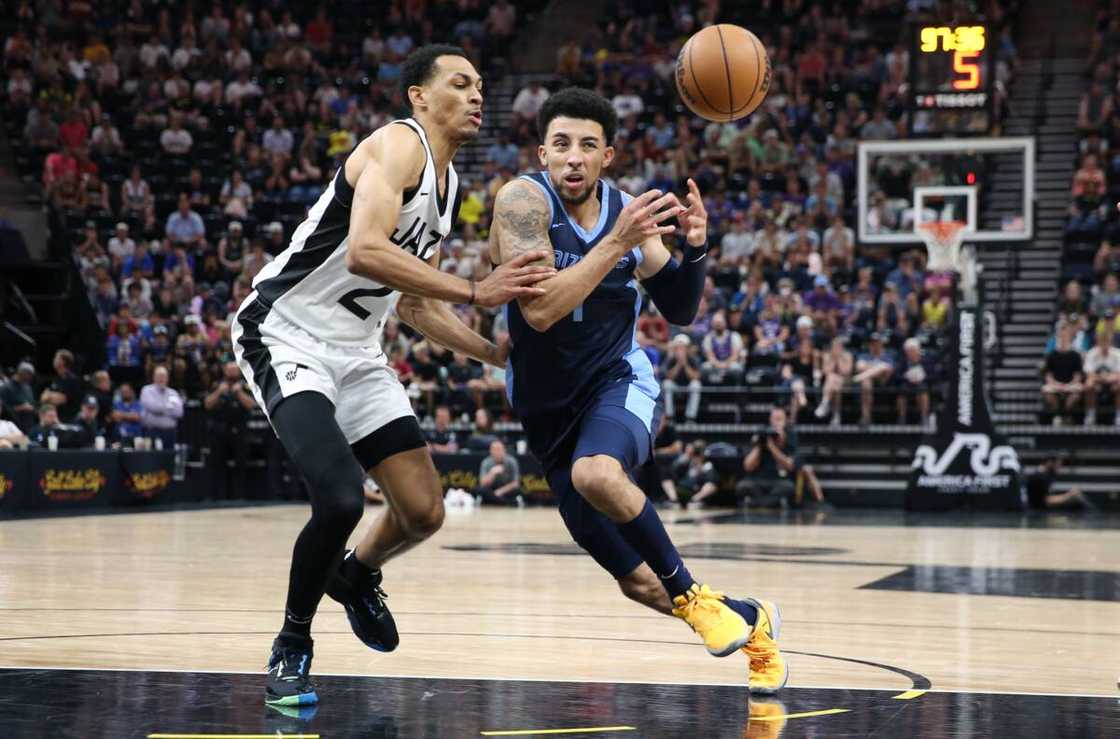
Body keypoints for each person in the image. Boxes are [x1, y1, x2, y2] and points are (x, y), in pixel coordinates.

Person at [229, 45, 554, 706]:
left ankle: (353, 575)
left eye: (480, 85)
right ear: (418, 96)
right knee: (342, 498)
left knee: (424, 511)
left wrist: (494, 355)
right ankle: (292, 643)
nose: (476, 95)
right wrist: (477, 290)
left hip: (356, 350)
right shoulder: (396, 145)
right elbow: (365, 250)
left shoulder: (447, 186)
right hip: (286, 331)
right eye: (460, 83)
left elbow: (413, 306)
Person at [488, 87, 785, 694]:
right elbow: (540, 312)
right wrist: (617, 245)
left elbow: (680, 309)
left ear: (608, 156)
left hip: (616, 382)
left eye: (588, 146)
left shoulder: (628, 212)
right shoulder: (522, 202)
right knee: (637, 582)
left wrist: (695, 248)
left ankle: (693, 597)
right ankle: (752, 621)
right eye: (561, 144)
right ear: (543, 153)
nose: (573, 157)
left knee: (596, 474)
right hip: (547, 416)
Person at [203, 362, 255, 500]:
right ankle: (217, 496)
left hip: (239, 431)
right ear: (224, 371)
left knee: (241, 464)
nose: (232, 372)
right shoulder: (216, 385)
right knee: (217, 464)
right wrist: (219, 392)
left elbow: (251, 405)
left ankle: (239, 496)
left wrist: (239, 393)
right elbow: (207, 404)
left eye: (234, 370)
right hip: (219, 430)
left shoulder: (245, 385)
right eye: (229, 370)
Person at [736, 407, 798, 508]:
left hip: (779, 479)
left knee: (789, 487)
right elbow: (747, 466)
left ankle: (756, 503)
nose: (777, 423)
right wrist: (760, 445)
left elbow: (790, 466)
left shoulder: (790, 436)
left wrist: (773, 447)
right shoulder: (762, 433)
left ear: (785, 421)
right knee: (742, 486)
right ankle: (771, 503)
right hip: (758, 479)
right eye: (775, 419)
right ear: (770, 420)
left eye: (780, 419)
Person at [1042, 322, 1084, 426]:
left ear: (1070, 337)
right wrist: (1056, 384)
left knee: (1077, 390)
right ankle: (1058, 415)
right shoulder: (1052, 355)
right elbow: (1048, 374)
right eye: (1061, 335)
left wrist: (1069, 385)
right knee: (1046, 390)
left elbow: (1078, 375)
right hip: (1055, 384)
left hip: (1071, 385)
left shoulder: (1075, 355)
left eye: (1066, 335)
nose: (1063, 337)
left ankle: (1066, 415)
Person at [1025, 456, 1097, 511]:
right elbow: (1047, 501)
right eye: (1058, 465)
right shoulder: (1039, 477)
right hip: (1041, 511)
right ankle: (1094, 517)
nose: (1059, 468)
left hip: (1044, 507)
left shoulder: (1044, 475)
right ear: (1050, 462)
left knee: (1077, 498)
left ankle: (1093, 515)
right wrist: (1069, 495)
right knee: (1077, 500)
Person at [1082, 325, 1120, 426]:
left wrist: (1106, 379)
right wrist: (1101, 379)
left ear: (1111, 342)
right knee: (1089, 384)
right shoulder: (1091, 353)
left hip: (1112, 383)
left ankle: (1119, 415)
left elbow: (1119, 374)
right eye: (1102, 341)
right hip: (1097, 383)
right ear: (1098, 342)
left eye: (1107, 341)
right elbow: (1089, 374)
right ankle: (1090, 414)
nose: (1104, 344)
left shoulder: (1117, 354)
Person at [659, 334, 702, 421]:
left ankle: (690, 417)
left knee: (696, 385)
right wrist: (678, 364)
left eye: (682, 348)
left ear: (687, 349)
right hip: (676, 387)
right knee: (666, 384)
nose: (680, 351)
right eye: (677, 348)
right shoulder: (670, 359)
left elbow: (696, 377)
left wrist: (685, 364)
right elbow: (669, 377)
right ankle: (669, 416)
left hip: (688, 386)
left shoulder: (694, 359)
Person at [139, 366, 184, 449]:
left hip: (170, 433)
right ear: (154, 377)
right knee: (152, 456)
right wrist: (169, 408)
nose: (161, 378)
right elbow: (153, 408)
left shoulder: (173, 393)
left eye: (163, 376)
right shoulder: (147, 390)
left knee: (169, 455)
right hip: (151, 431)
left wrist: (161, 408)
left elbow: (179, 412)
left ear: (167, 378)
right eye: (159, 376)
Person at [474, 439, 523, 505]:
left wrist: (500, 491)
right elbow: (482, 483)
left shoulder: (512, 461)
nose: (497, 452)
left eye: (499, 449)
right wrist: (492, 473)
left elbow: (515, 483)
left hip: (506, 490)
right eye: (494, 449)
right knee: (480, 490)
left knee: (518, 490)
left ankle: (495, 500)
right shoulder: (486, 462)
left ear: (504, 450)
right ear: (490, 451)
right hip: (491, 489)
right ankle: (504, 502)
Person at [39, 349, 83, 419]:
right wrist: (51, 396)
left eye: (56, 358)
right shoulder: (56, 379)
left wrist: (50, 396)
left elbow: (61, 400)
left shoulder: (72, 380)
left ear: (62, 362)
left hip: (67, 419)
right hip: (55, 418)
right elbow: (43, 398)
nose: (54, 360)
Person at [1, 361, 37, 431]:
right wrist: (21, 408)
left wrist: (32, 408)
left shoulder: (27, 387)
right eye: (29, 374)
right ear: (22, 373)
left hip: (29, 426)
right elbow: (3, 409)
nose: (30, 377)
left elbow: (32, 404)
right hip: (13, 427)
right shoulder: (5, 388)